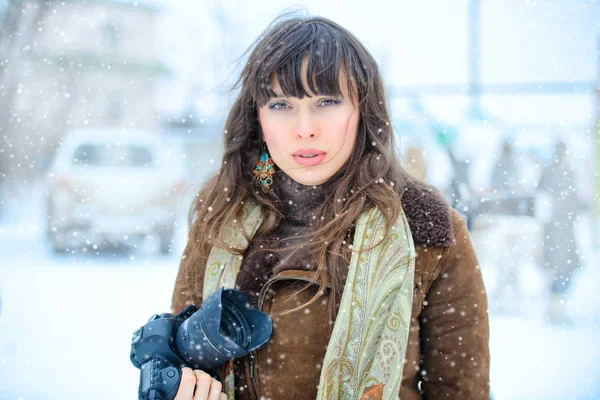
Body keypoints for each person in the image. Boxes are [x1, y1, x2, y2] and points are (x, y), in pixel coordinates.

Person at [170, 15, 489, 400]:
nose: (305, 128)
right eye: (281, 104)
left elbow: (460, 390)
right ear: (258, 118)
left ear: (363, 111)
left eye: (327, 101)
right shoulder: (222, 216)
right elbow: (178, 356)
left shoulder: (427, 228)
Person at [537, 141, 581, 325]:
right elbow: (543, 197)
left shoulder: (561, 171)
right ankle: (555, 309)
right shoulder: (557, 171)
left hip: (561, 230)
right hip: (556, 230)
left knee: (563, 269)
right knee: (560, 269)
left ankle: (557, 308)